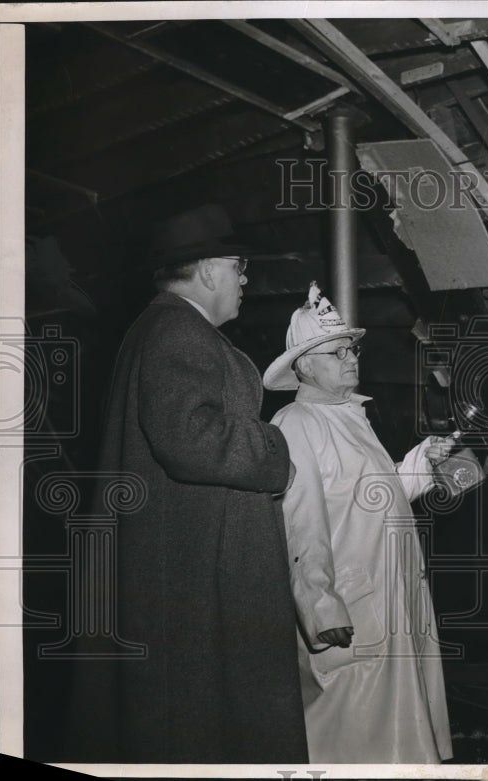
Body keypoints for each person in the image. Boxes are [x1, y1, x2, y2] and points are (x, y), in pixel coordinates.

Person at [74, 204, 308, 763]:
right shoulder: (178, 331)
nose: (245, 280)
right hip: (197, 582)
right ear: (208, 271)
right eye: (240, 267)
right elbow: (190, 438)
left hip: (191, 571)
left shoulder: (164, 328)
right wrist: (277, 453)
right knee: (202, 730)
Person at [263, 283, 455, 763]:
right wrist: (319, 606)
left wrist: (418, 463)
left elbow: (373, 499)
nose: (350, 358)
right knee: (353, 739)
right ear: (304, 365)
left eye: (352, 348)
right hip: (351, 609)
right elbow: (299, 522)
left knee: (396, 741)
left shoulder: (350, 415)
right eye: (336, 352)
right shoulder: (297, 423)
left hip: (388, 601)